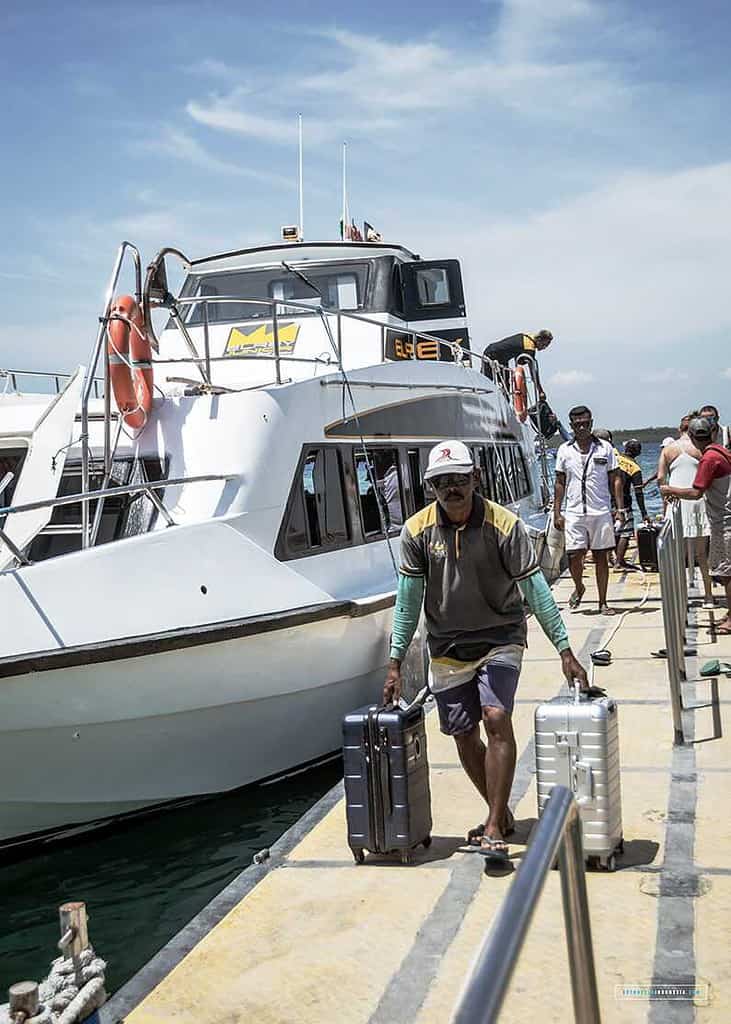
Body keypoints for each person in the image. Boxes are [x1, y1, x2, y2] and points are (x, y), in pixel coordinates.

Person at [383, 440, 589, 861]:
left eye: (460, 479)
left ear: (476, 479)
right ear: (431, 487)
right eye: (442, 482)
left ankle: (494, 824)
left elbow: (535, 588)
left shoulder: (505, 525)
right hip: (447, 647)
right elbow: (408, 601)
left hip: (501, 637)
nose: (452, 489)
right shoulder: (416, 532)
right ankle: (501, 812)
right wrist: (395, 661)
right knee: (462, 734)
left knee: (496, 718)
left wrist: (565, 648)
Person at [661, 417, 731, 634]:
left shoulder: (709, 459)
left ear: (691, 437)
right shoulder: (721, 452)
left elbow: (695, 492)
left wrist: (670, 490)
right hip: (723, 519)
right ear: (712, 434)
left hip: (724, 522)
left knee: (727, 573)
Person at [553, 406, 624, 614]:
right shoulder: (564, 450)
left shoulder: (605, 449)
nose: (582, 426)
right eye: (577, 424)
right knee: (574, 555)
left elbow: (616, 478)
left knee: (601, 556)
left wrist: (619, 508)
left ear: (591, 423)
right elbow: (559, 481)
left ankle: (602, 602)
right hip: (574, 510)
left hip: (600, 510)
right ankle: (579, 587)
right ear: (571, 426)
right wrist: (557, 512)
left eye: (585, 422)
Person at [657, 412, 714, 606]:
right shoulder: (701, 449)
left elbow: (660, 478)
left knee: (678, 556)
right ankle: (708, 595)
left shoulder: (669, 449)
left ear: (679, 429)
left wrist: (667, 493)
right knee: (702, 555)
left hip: (676, 504)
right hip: (698, 502)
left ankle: (680, 598)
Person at [614, 439, 650, 570]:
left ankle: (618, 559)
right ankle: (619, 562)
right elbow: (638, 492)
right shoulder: (634, 468)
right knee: (626, 533)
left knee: (615, 532)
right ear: (638, 452)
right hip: (624, 504)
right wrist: (644, 513)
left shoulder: (615, 459)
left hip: (608, 502)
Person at [482, 330, 553, 371]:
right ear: (539, 339)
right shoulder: (529, 346)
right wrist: (540, 390)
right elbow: (533, 371)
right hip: (492, 354)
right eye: (544, 345)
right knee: (487, 380)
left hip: (501, 359)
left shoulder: (528, 337)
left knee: (506, 382)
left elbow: (519, 360)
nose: (544, 348)